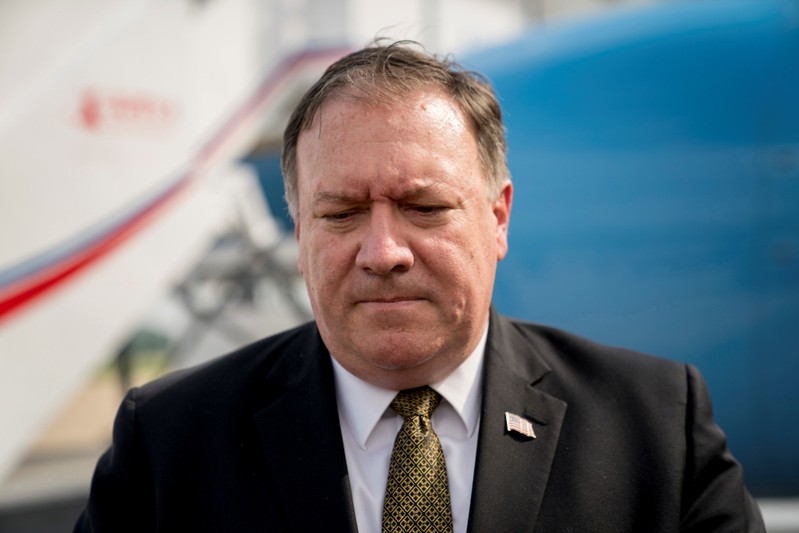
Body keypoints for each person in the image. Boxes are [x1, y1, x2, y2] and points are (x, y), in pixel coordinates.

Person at [74, 41, 764, 532]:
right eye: (340, 213)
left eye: (424, 207)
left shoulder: (651, 426)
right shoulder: (171, 443)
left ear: (497, 216)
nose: (382, 252)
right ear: (298, 230)